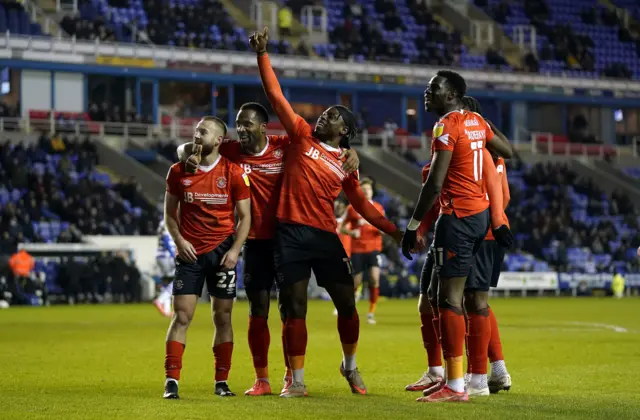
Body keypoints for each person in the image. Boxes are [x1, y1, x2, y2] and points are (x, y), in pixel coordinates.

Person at [251, 27, 403, 398]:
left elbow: (362, 204)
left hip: (324, 236)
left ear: (346, 130)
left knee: (347, 305)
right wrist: (263, 55)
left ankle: (349, 366)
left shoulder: (347, 164)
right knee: (294, 307)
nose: (324, 117)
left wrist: (393, 230)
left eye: (333, 116)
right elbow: (276, 97)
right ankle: (297, 380)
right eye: (325, 113)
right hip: (289, 234)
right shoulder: (301, 135)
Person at [176, 102, 360, 397]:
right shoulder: (232, 151)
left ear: (263, 126)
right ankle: (262, 379)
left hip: (288, 238)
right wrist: (187, 154)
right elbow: (188, 149)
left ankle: (291, 376)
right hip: (257, 242)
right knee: (257, 309)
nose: (241, 129)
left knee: (290, 310)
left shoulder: (285, 145)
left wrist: (350, 150)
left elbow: (326, 148)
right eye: (238, 123)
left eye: (247, 123)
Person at [400, 70, 514, 403]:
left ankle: (455, 385)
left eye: (433, 88)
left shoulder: (446, 125)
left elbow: (434, 184)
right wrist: (482, 125)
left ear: (451, 95)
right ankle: (467, 377)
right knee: (454, 298)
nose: (426, 92)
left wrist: (412, 226)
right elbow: (505, 148)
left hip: (458, 217)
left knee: (450, 299)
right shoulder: (477, 122)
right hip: (479, 218)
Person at [162, 116, 252, 400]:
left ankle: (221, 381)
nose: (196, 135)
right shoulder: (177, 170)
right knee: (182, 316)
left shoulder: (234, 173)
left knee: (223, 317)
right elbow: (169, 215)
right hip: (190, 253)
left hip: (222, 253)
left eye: (203, 131)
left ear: (218, 140)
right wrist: (179, 240)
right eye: (195, 130)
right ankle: (171, 381)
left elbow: (245, 217)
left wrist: (235, 250)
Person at [461, 96, 512, 396]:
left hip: (480, 232)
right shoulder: (494, 153)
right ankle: (496, 370)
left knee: (473, 302)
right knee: (476, 302)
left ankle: (477, 375)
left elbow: (500, 198)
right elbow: (505, 198)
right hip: (493, 231)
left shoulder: (481, 154)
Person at [340, 178, 385, 325]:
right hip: (358, 249)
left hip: (374, 249)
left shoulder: (378, 207)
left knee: (374, 279)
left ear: (372, 192)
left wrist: (381, 229)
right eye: (364, 190)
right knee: (356, 282)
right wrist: (352, 233)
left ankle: (371, 313)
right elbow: (341, 227)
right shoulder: (352, 208)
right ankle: (350, 310)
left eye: (369, 190)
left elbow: (385, 227)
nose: (366, 192)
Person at [154, 219, 176, 317]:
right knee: (182, 277)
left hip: (160, 256)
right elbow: (166, 239)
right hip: (167, 256)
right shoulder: (167, 221)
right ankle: (160, 300)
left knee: (167, 281)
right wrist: (173, 255)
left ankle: (166, 310)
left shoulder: (162, 222)